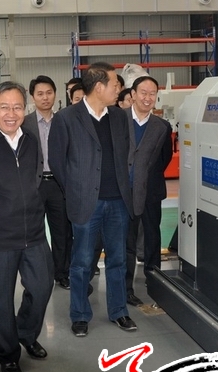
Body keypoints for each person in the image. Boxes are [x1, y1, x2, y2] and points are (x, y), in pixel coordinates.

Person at [0, 81, 54, 372]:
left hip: (33, 230)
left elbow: (34, 177)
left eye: (17, 107)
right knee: (1, 298)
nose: (11, 113)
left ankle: (26, 333)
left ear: (25, 109)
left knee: (42, 286)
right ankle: (8, 354)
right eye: (4, 107)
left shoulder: (30, 139)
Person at [49, 62, 136, 338]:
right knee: (82, 262)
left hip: (118, 201)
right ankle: (79, 315)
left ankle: (119, 311)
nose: (118, 89)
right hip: (86, 202)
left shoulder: (119, 117)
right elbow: (57, 162)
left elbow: (126, 153)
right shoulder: (66, 118)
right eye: (114, 84)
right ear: (99, 87)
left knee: (117, 260)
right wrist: (76, 190)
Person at [124, 76, 173, 306]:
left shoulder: (162, 127)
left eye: (152, 93)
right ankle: (125, 288)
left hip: (151, 192)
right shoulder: (118, 119)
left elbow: (164, 158)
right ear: (133, 94)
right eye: (143, 92)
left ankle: (154, 281)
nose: (147, 97)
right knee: (126, 241)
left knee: (152, 237)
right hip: (124, 193)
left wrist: (145, 176)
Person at [24, 75, 72, 291]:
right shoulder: (24, 123)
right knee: (34, 232)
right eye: (40, 94)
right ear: (32, 97)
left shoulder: (64, 121)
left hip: (59, 184)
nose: (45, 98)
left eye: (49, 93)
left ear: (55, 94)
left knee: (62, 231)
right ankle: (39, 274)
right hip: (34, 185)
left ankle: (61, 273)